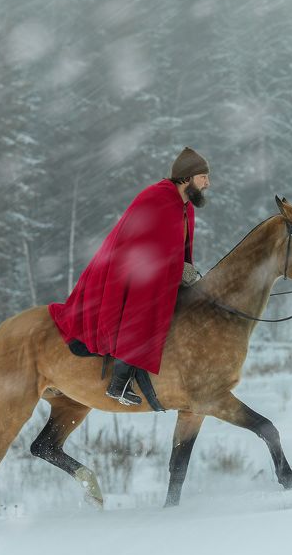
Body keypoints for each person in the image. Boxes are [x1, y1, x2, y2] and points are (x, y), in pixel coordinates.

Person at [48, 148, 210, 405]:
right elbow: (141, 242)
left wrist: (184, 268)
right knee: (144, 311)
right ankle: (119, 384)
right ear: (187, 178)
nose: (207, 183)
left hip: (158, 272)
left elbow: (177, 246)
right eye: (203, 177)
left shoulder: (185, 207)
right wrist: (175, 267)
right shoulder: (156, 198)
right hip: (128, 269)